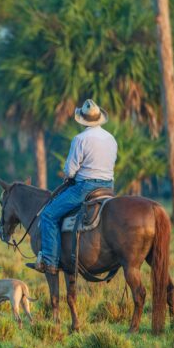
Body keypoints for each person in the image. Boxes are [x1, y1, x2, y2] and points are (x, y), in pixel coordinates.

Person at [27, 99, 117, 275]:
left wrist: (70, 175)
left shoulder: (80, 139)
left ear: (82, 119)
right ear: (99, 118)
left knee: (48, 215)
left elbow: (70, 170)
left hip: (85, 188)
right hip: (108, 188)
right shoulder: (111, 138)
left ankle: (50, 262)